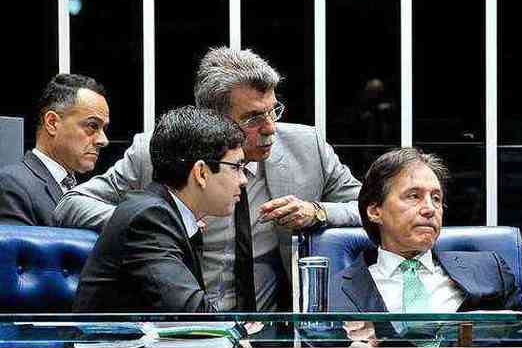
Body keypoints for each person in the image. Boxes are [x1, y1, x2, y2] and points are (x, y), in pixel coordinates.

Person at [56, 47, 361, 312]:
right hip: (186, 322)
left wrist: (318, 212)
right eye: (253, 118)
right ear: (211, 120)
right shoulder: (162, 151)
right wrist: (162, 225)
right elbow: (71, 203)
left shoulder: (307, 148)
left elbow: (371, 206)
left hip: (272, 326)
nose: (271, 129)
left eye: (274, 111)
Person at [330, 148, 522, 344]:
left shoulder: (487, 267)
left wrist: (487, 328)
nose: (430, 209)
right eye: (414, 196)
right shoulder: (336, 292)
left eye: (436, 198)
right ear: (375, 211)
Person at [73, 106, 246, 312]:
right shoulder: (149, 218)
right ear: (201, 173)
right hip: (109, 344)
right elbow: (190, 313)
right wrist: (243, 330)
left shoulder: (171, 214)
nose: (243, 180)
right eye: (236, 167)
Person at [0, 74, 109, 226]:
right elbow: (17, 249)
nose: (103, 140)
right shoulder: (12, 184)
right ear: (52, 123)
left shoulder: (87, 190)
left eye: (104, 128)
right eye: (92, 126)